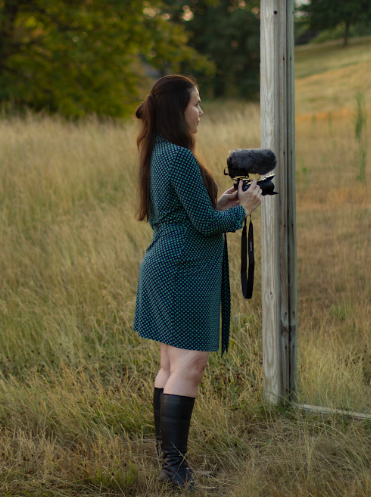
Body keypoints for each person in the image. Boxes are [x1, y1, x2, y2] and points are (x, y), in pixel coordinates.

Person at [133, 75, 262, 490]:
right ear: (178, 110)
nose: (201, 111)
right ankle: (175, 470)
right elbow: (206, 225)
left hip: (167, 265)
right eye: (197, 103)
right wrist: (244, 211)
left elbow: (189, 212)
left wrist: (221, 201)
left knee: (170, 365)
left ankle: (170, 464)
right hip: (182, 270)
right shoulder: (180, 157)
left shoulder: (159, 152)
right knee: (190, 365)